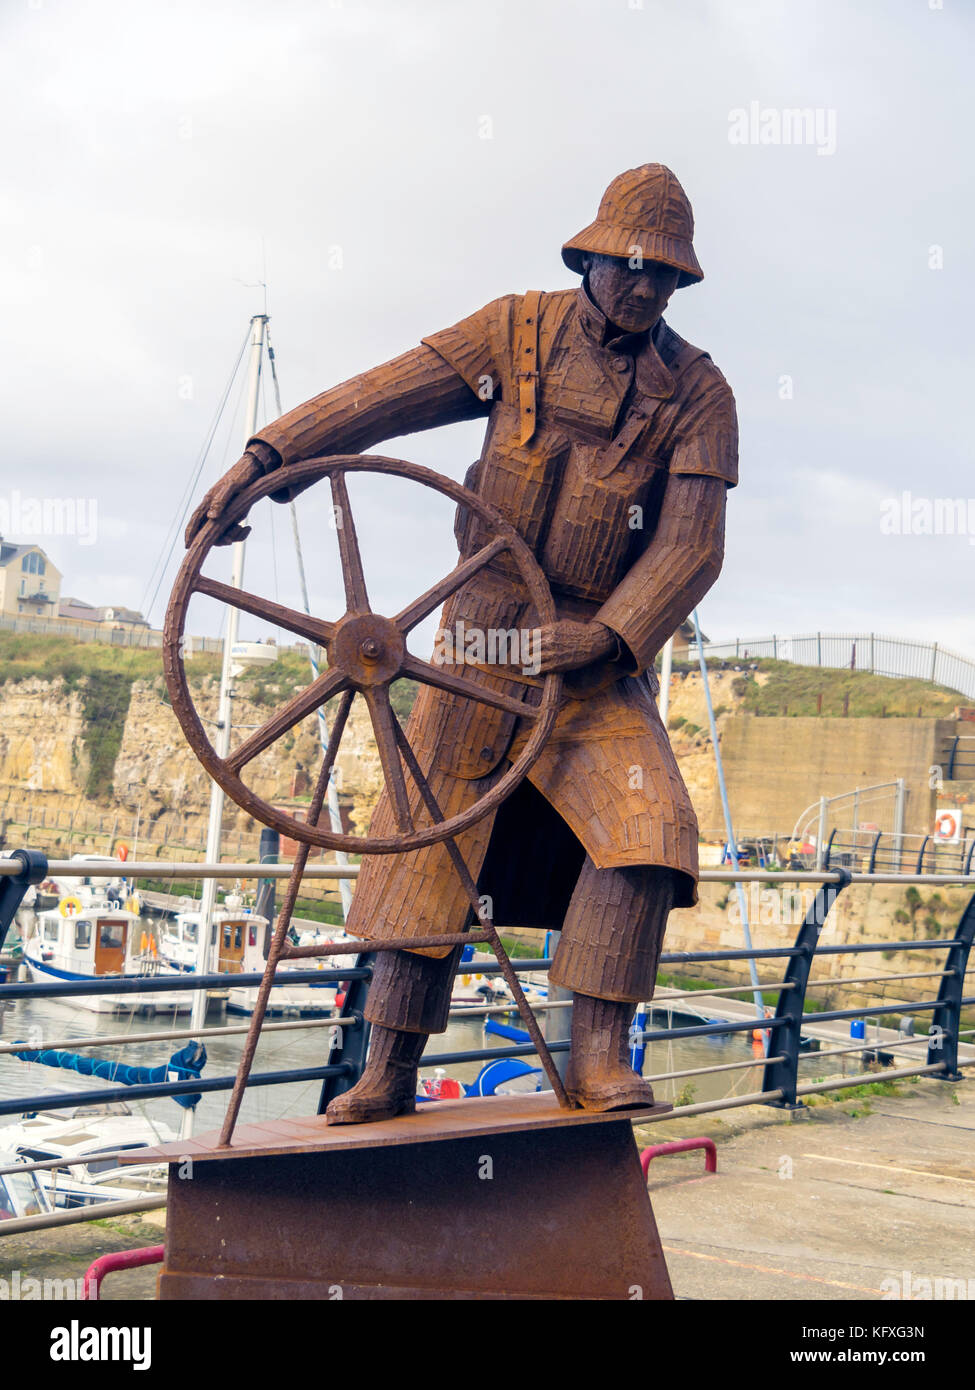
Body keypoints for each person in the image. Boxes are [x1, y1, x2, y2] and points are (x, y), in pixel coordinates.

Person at [187, 164, 738, 1123]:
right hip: (477, 643)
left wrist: (609, 636)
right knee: (422, 847)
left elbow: (691, 547)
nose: (645, 287)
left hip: (594, 670)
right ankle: (388, 1067)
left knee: (651, 836)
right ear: (590, 258)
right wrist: (266, 460)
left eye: (666, 276)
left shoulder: (697, 393)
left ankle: (600, 1055)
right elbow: (383, 397)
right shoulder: (511, 335)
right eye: (630, 267)